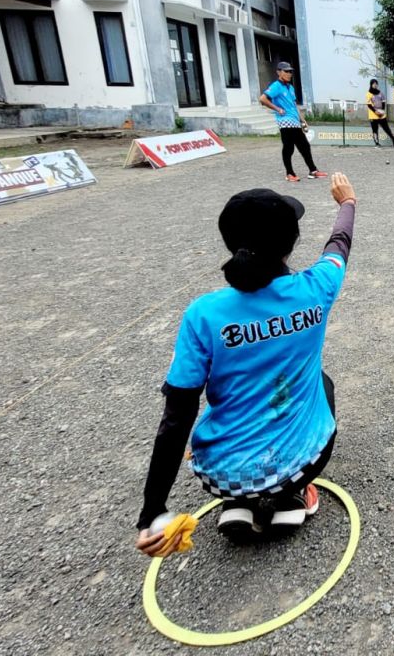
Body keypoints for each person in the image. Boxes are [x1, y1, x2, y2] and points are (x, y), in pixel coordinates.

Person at [134, 174, 357, 552]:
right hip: (303, 461)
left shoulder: (203, 314)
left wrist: (153, 513)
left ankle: (240, 503)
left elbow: (176, 418)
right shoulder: (316, 288)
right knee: (323, 383)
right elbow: (339, 244)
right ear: (291, 243)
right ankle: (294, 492)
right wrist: (348, 202)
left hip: (221, 475)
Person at [259, 61, 327, 183]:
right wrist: (277, 109)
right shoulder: (276, 86)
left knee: (304, 146)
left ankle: (313, 171)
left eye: (290, 71)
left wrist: (302, 119)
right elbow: (263, 99)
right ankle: (290, 173)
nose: (289, 74)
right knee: (289, 147)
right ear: (279, 72)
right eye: (286, 71)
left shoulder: (290, 87)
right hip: (285, 121)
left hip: (294, 121)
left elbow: (295, 105)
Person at [367, 79, 394, 148]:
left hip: (381, 115)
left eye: (376, 83)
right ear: (371, 84)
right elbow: (369, 105)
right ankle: (377, 143)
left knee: (386, 128)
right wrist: (376, 112)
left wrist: (382, 111)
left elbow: (383, 102)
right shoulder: (368, 94)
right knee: (375, 130)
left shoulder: (380, 93)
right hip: (373, 115)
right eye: (373, 84)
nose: (375, 85)